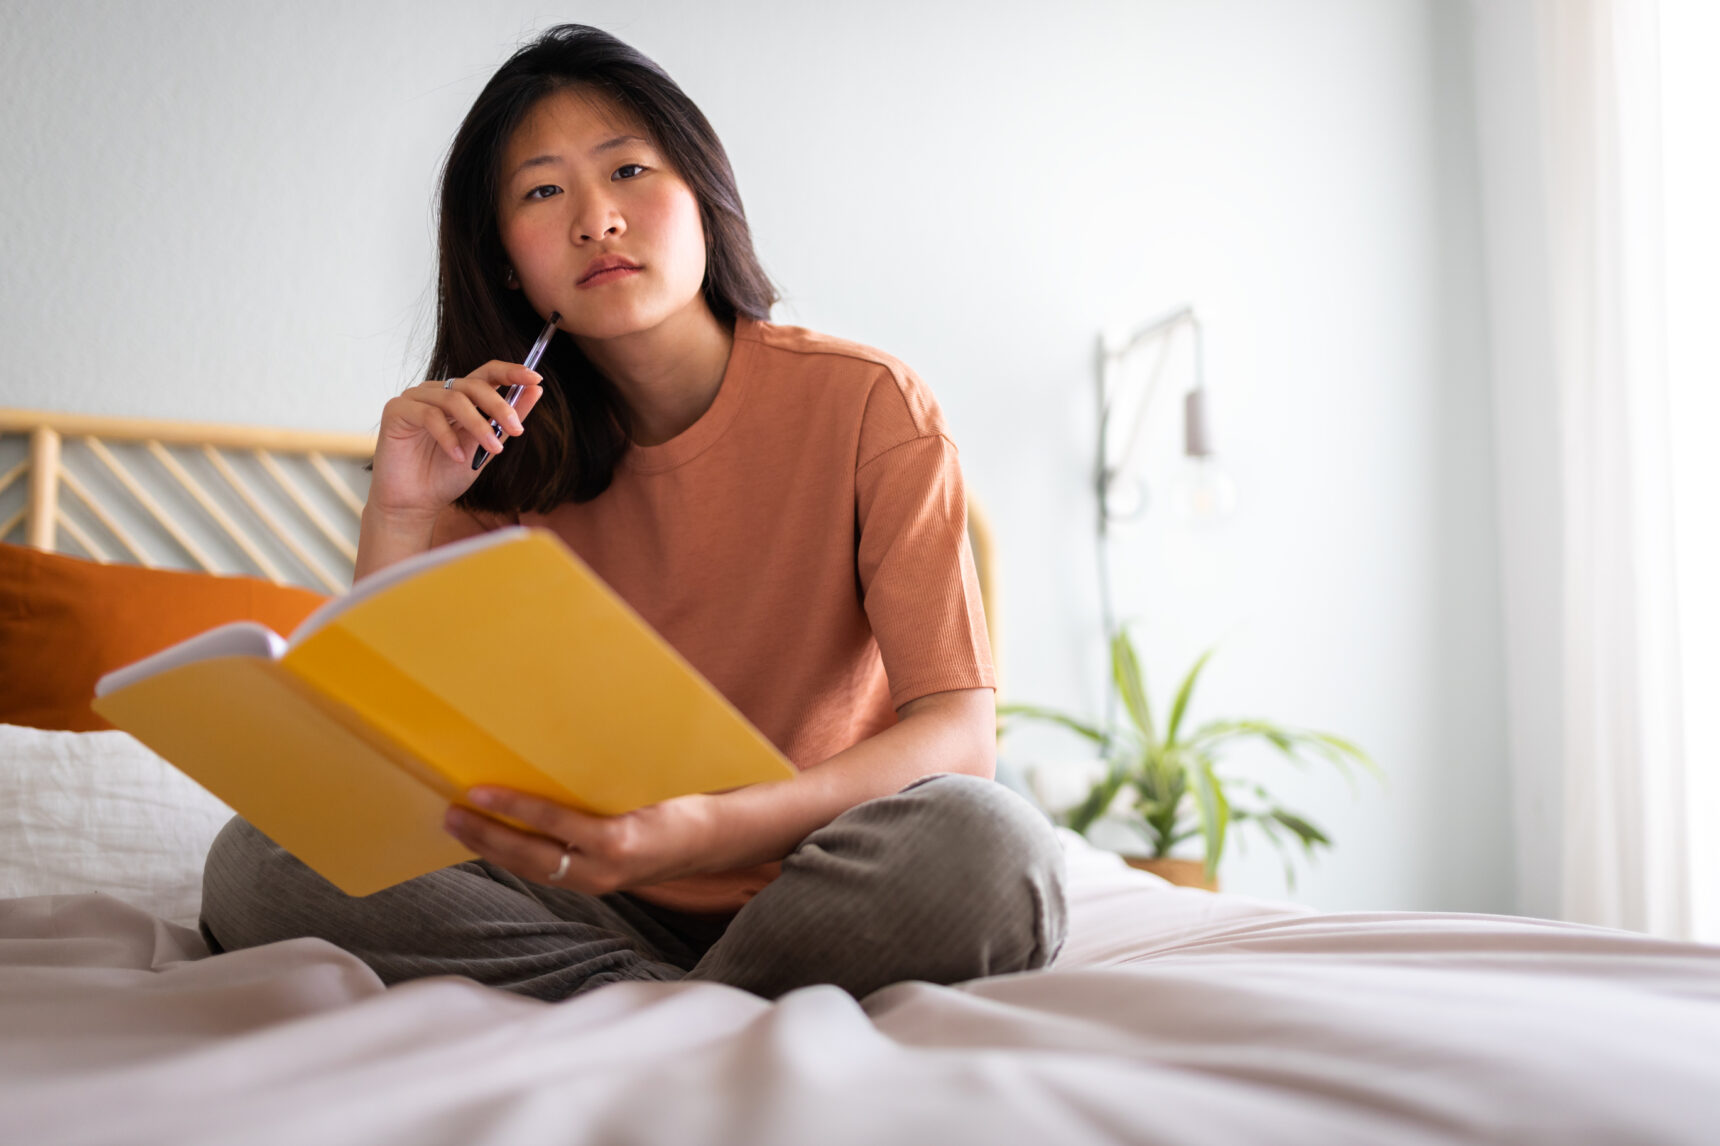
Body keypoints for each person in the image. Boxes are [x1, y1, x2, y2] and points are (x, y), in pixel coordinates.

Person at [200, 23, 1066, 1003]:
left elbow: (958, 734)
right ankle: (666, 1003)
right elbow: (393, 766)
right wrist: (399, 511)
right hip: (578, 895)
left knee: (994, 846)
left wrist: (704, 828)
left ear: (704, 197)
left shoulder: (869, 404)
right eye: (542, 191)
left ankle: (630, 1010)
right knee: (260, 854)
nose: (596, 219)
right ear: (503, 262)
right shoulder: (486, 456)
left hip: (818, 873)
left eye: (628, 170)